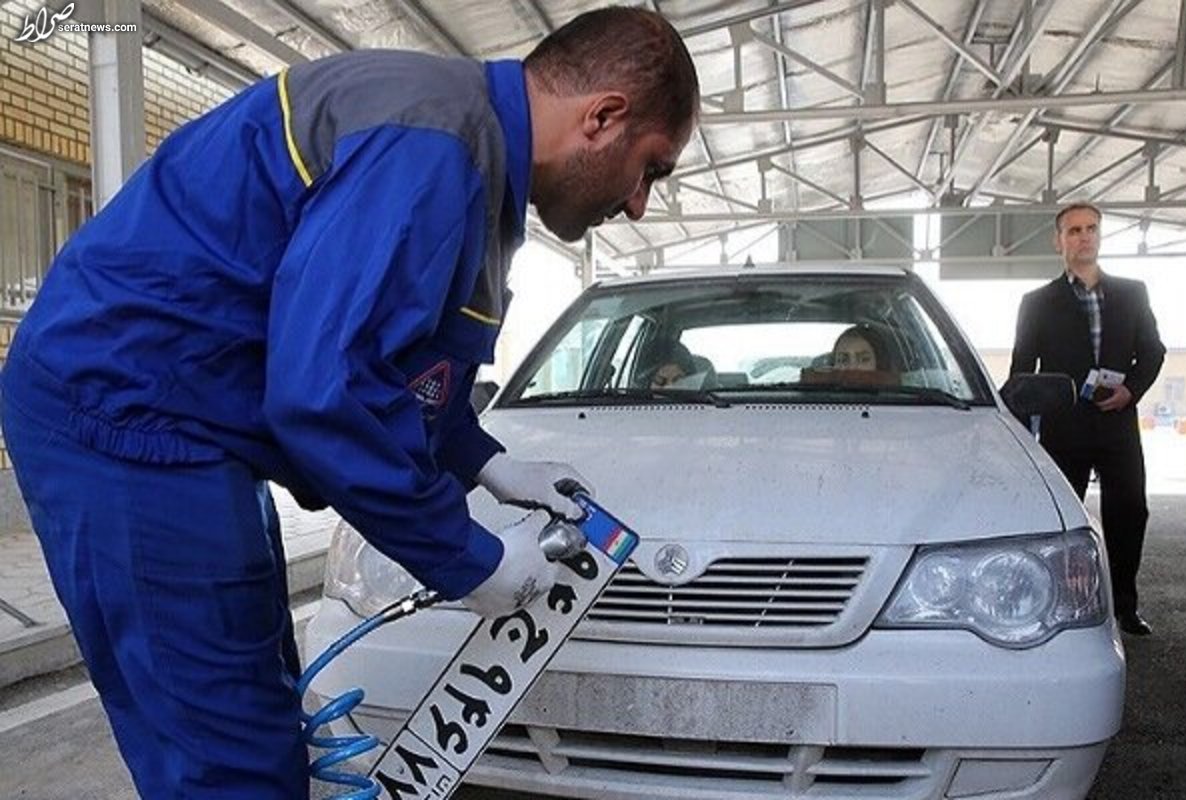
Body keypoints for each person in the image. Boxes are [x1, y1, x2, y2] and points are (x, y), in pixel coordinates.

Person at [0, 7, 698, 798]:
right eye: (652, 168)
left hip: (186, 416)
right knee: (228, 751)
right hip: (124, 414)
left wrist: (485, 461)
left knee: (251, 703)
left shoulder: (471, 157)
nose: (640, 203)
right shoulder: (430, 146)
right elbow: (320, 395)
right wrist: (467, 558)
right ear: (603, 117)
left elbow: (389, 365)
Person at [1010, 202, 1165, 637]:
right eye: (1074, 230)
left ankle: (1125, 606)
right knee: (1060, 521)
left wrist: (1130, 390)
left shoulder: (1133, 293)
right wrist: (1018, 430)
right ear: (1058, 240)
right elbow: (1024, 367)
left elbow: (1153, 351)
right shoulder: (1037, 302)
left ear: (1100, 236)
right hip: (1065, 427)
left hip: (1118, 424)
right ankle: (1059, 602)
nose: (1084, 237)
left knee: (1130, 511)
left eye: (1091, 229)